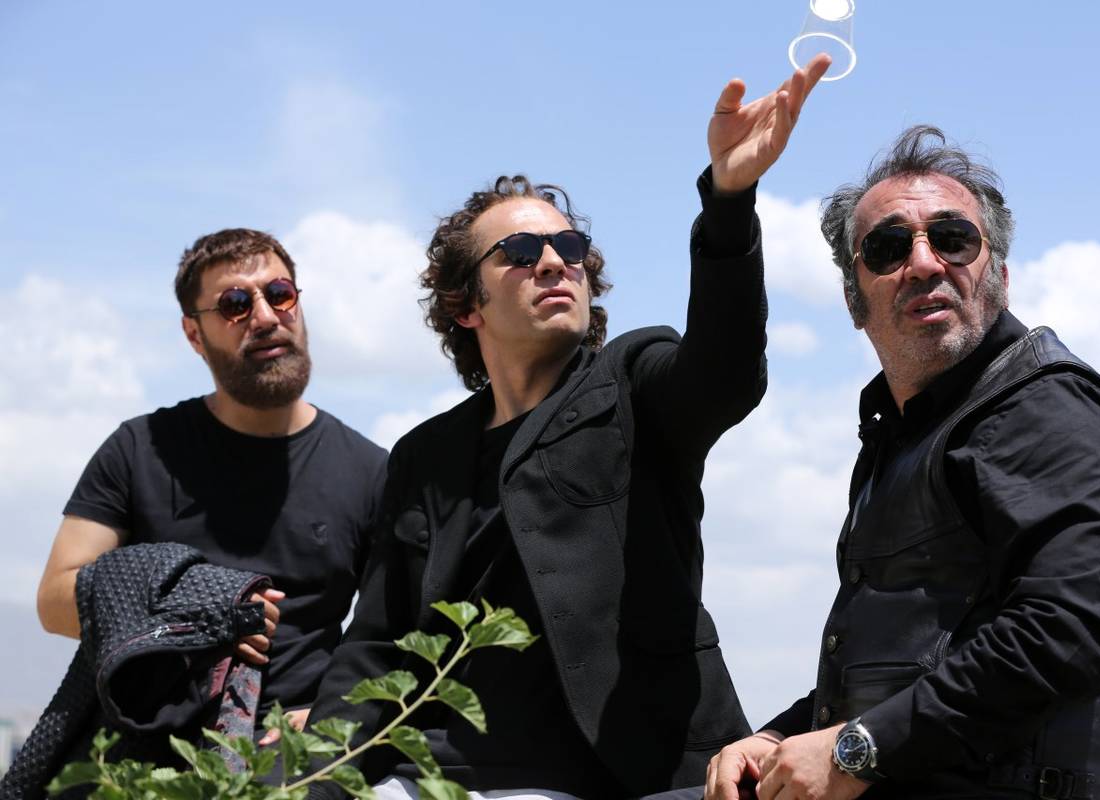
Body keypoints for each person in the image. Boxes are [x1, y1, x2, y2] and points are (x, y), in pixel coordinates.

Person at [304, 56, 833, 800]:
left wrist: (729, 200)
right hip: (425, 775)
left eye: (571, 248)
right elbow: (376, 645)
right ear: (466, 306)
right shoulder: (425, 455)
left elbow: (726, 371)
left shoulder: (634, 384)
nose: (555, 262)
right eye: (521, 253)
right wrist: (312, 779)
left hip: (600, 778)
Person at [707, 126, 1100, 799]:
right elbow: (893, 669)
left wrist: (858, 750)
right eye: (888, 248)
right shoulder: (903, 434)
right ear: (854, 300)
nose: (923, 263)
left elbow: (1066, 631)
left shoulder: (1049, 407)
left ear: (999, 275)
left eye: (952, 239)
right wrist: (775, 739)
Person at [35, 228, 387, 744]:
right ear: (194, 335)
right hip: (148, 755)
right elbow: (54, 602)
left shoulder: (369, 469)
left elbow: (392, 629)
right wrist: (197, 607)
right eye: (235, 305)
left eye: (280, 294)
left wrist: (334, 710)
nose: (265, 317)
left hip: (294, 753)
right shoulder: (138, 449)